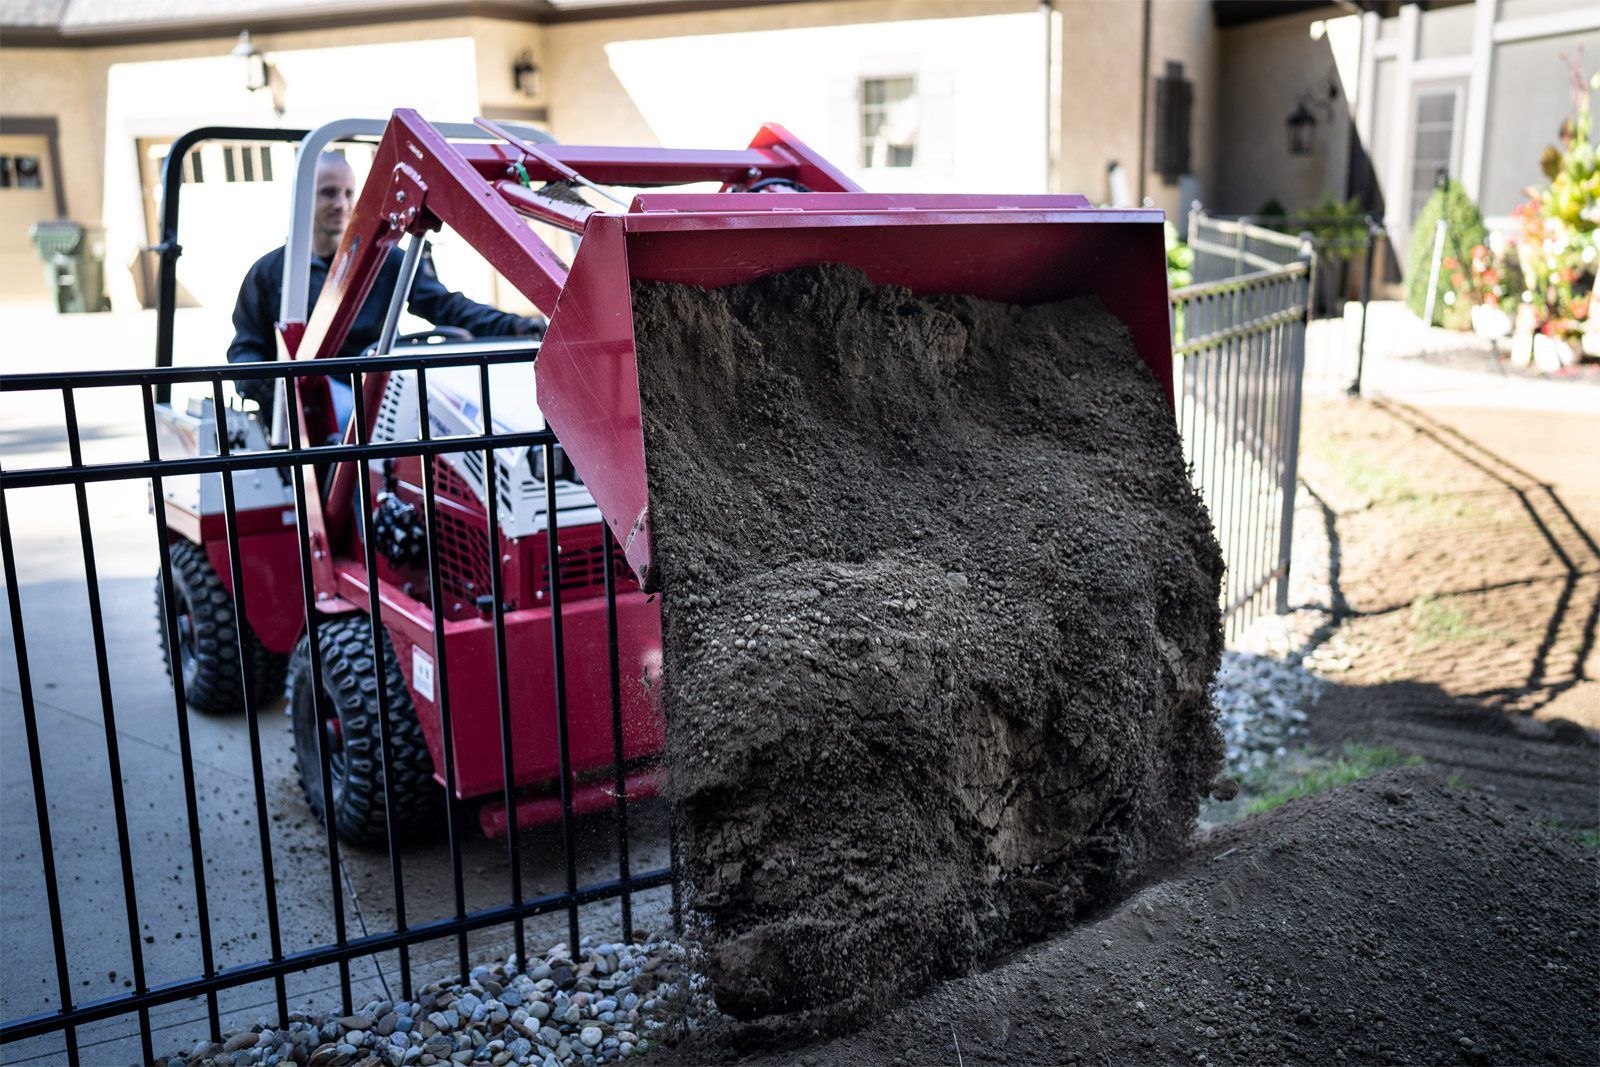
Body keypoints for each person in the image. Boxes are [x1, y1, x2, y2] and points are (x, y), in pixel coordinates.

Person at [227, 151, 543, 422]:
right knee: (351, 419)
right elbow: (245, 351)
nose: (342, 204)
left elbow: (445, 307)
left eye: (349, 193)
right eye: (328, 193)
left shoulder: (386, 260)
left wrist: (516, 327)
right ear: (303, 198)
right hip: (314, 411)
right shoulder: (269, 273)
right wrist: (283, 395)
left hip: (377, 391)